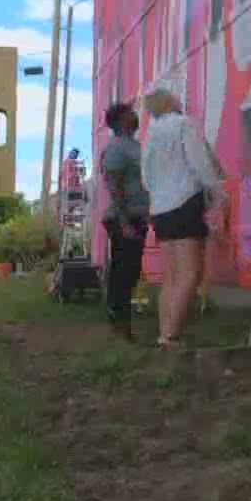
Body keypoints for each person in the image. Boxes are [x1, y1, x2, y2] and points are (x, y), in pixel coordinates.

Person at [140, 86, 225, 353]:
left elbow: (145, 177)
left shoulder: (150, 134)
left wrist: (159, 194)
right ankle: (171, 338)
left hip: (160, 209)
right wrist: (218, 193)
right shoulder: (183, 124)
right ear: (170, 101)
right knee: (191, 273)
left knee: (171, 276)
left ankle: (164, 334)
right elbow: (200, 164)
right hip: (185, 202)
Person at [98, 100, 150, 341]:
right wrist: (125, 222)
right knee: (125, 271)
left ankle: (118, 320)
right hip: (123, 219)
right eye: (131, 113)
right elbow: (113, 184)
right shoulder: (118, 147)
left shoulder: (132, 145)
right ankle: (120, 323)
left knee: (128, 270)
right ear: (121, 121)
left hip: (135, 217)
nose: (136, 115)